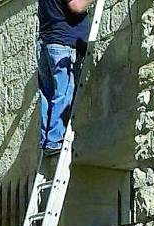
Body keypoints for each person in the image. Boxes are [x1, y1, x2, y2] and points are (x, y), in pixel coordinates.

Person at [38, 0, 95, 155]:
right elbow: (75, 5)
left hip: (46, 43)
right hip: (63, 44)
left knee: (47, 96)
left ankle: (46, 141)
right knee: (63, 93)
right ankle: (54, 140)